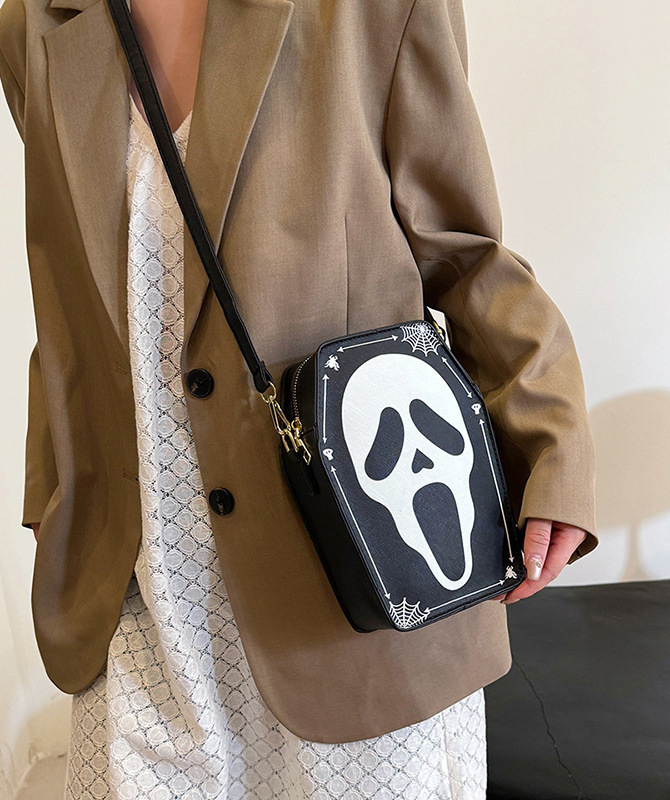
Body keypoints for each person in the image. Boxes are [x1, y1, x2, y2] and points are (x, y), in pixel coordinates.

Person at [0, 0, 599, 796]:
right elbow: (67, 296)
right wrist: (51, 488)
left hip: (351, 583)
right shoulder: (36, 25)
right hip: (143, 598)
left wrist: (553, 446)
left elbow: (463, 251)